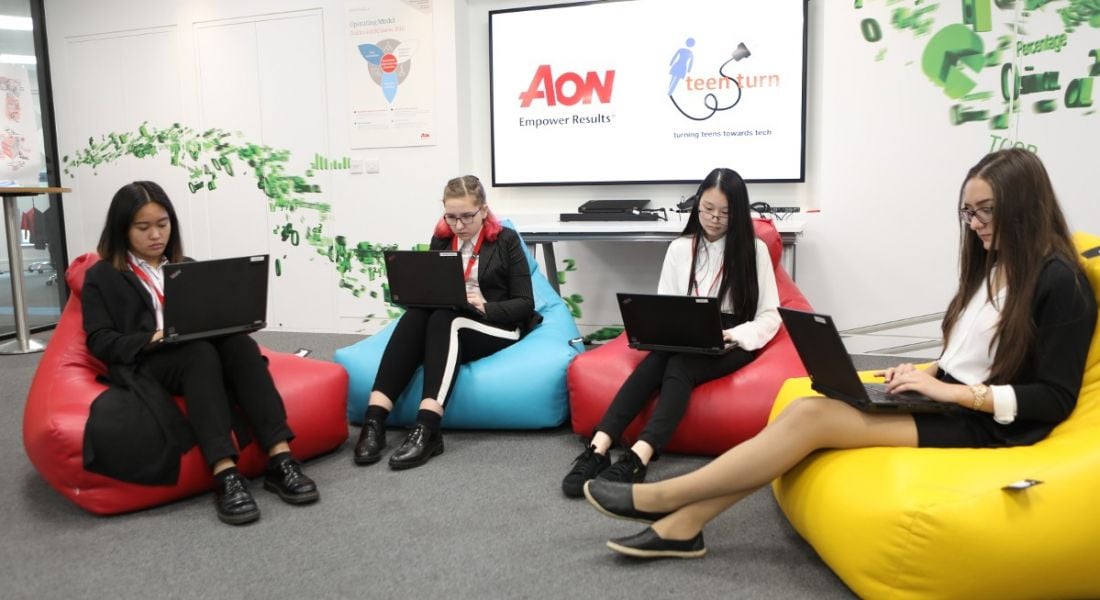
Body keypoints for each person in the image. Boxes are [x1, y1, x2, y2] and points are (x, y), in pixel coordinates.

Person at [582, 148, 1097, 559]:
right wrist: (924, 374)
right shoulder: (995, 263)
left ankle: (661, 499)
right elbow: (970, 354)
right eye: (968, 211)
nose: (974, 223)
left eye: (986, 211)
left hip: (984, 424)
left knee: (811, 420)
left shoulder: (1062, 282)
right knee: (809, 407)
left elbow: (1052, 398)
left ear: (1024, 206)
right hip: (945, 398)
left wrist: (954, 392)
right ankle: (684, 526)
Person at [82, 181, 318, 526]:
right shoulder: (102, 276)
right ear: (122, 229)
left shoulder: (185, 266)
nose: (155, 235)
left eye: (162, 225)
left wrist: (235, 321)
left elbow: (209, 317)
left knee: (239, 345)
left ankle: (281, 459)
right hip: (149, 360)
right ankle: (225, 474)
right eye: (143, 227)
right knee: (199, 353)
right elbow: (100, 340)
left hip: (197, 348)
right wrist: (154, 337)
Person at [561, 167, 780, 498]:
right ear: (697, 205)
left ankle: (639, 456)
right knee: (656, 361)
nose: (715, 218)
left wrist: (736, 335)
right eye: (708, 209)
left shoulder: (754, 251)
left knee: (680, 366)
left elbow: (770, 315)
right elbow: (666, 305)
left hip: (733, 336)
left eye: (725, 212)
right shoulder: (680, 249)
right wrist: (662, 331)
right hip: (687, 328)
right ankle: (599, 447)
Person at [353, 175, 541, 470]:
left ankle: (428, 427)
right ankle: (374, 419)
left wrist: (485, 306)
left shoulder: (506, 240)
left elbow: (524, 303)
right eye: (451, 217)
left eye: (467, 216)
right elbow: (432, 289)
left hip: (496, 323)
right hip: (450, 315)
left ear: (483, 210)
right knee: (417, 315)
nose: (459, 225)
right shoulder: (442, 237)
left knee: (446, 320)